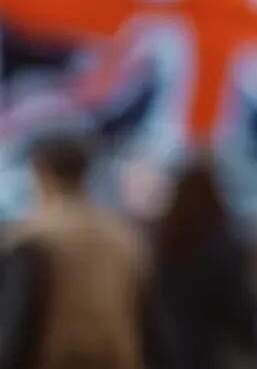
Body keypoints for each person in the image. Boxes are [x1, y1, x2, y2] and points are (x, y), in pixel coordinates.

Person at [0, 131, 171, 369]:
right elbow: (149, 325)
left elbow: (17, 326)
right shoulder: (123, 237)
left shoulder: (33, 237)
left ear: (41, 172)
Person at [153, 152, 257, 369]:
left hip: (171, 348)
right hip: (215, 351)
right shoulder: (223, 243)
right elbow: (238, 303)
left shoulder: (166, 240)